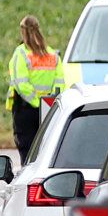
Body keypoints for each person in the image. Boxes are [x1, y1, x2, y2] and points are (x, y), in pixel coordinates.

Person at [6, 15, 64, 157]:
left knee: (27, 153)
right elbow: (60, 83)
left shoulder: (21, 53)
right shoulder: (52, 55)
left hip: (26, 109)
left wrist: (37, 103)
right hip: (49, 109)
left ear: (23, 32)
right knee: (46, 152)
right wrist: (48, 104)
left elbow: (21, 84)